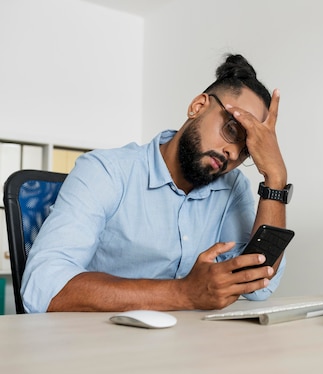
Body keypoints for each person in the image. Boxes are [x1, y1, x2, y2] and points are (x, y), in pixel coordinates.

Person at [21, 54, 292, 313]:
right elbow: (42, 286)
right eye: (232, 130)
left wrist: (275, 179)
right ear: (198, 107)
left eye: (246, 149)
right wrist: (183, 293)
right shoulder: (106, 171)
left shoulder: (232, 188)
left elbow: (256, 285)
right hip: (98, 345)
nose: (233, 153)